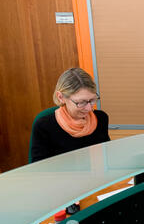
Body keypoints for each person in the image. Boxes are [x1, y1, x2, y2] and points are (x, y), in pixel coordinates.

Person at [31, 67, 110, 214]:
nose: (88, 108)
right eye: (81, 102)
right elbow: (38, 172)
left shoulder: (101, 119)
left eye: (92, 100)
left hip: (97, 189)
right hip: (62, 197)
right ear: (61, 97)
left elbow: (109, 158)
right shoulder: (44, 125)